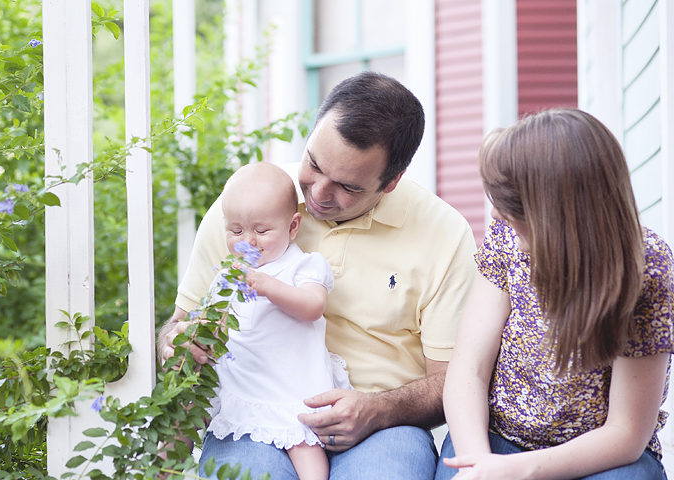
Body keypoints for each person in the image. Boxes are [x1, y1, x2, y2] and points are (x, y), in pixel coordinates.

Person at [158, 71, 477, 479]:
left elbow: (452, 381)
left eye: (347, 186)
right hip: (256, 411)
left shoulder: (444, 234)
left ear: (392, 182)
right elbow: (179, 325)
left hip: (382, 427)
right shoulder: (249, 206)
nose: (318, 193)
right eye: (313, 163)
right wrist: (174, 343)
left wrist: (379, 410)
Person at [436, 108, 674, 480]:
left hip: (600, 456)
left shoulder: (647, 270)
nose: (496, 216)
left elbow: (626, 432)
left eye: (510, 206)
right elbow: (469, 369)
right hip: (496, 439)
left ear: (552, 213)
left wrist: (518, 471)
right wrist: (478, 464)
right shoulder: (509, 239)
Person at [203, 162, 351, 480]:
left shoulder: (303, 266)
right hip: (245, 386)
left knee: (305, 447)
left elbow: (312, 306)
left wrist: (267, 286)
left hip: (294, 385)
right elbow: (214, 323)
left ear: (293, 226)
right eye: (236, 230)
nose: (249, 242)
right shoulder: (228, 275)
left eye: (261, 230)